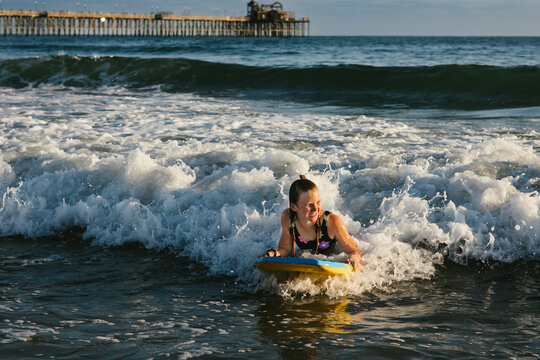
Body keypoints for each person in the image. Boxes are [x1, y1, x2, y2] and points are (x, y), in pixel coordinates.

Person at [263, 175, 362, 271]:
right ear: (294, 207)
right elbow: (285, 248)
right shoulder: (288, 217)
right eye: (309, 205)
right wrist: (273, 254)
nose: (315, 209)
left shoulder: (332, 222)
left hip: (332, 256)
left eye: (318, 202)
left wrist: (354, 257)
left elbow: (354, 250)